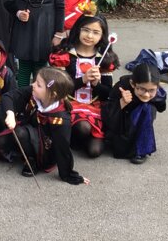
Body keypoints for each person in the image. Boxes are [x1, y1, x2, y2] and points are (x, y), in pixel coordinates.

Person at [0, 67, 90, 185]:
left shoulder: (61, 119)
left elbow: (62, 147)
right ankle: (25, 150)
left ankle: (32, 160)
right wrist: (10, 114)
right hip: (31, 131)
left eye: (38, 85)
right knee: (2, 142)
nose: (33, 85)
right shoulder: (35, 92)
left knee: (20, 133)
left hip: (47, 149)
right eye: (35, 81)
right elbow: (9, 96)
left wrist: (68, 174)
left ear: (52, 94)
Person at [49, 12, 119, 158]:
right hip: (68, 104)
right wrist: (83, 80)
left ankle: (77, 138)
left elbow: (107, 94)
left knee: (94, 151)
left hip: (95, 107)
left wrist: (96, 84)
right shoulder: (65, 54)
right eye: (86, 30)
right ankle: (71, 138)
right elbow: (59, 89)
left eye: (95, 32)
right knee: (83, 128)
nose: (89, 36)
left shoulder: (104, 59)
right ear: (78, 29)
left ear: (103, 36)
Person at [103, 63, 166, 164]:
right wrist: (121, 103)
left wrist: (152, 98)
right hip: (119, 124)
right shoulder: (122, 87)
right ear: (132, 84)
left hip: (139, 121)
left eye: (151, 90)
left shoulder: (158, 93)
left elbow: (161, 108)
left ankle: (141, 149)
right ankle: (121, 145)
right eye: (142, 89)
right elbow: (106, 116)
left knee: (148, 108)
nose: (146, 94)